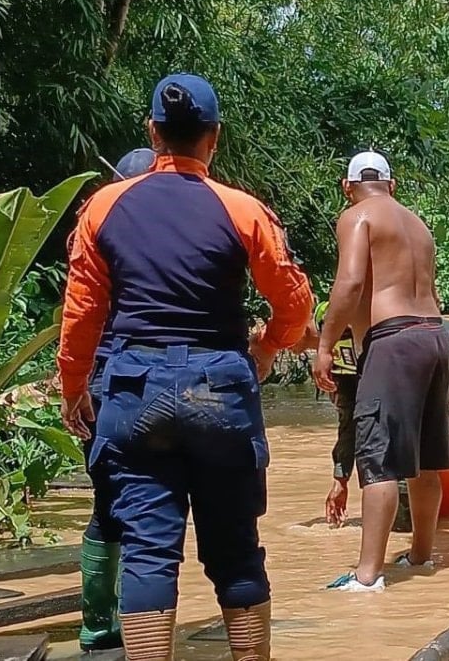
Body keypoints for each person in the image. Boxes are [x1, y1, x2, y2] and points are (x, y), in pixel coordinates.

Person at [59, 74, 313, 660]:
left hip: (134, 389)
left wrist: (74, 388)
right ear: (214, 137)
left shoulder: (103, 207)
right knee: (237, 552)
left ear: (153, 132)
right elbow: (295, 303)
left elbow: (82, 314)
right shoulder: (243, 210)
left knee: (148, 553)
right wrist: (268, 347)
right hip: (218, 388)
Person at [313, 151, 449, 592]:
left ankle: (367, 576)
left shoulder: (356, 216)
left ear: (347, 187)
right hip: (437, 335)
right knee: (426, 459)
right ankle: (421, 555)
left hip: (394, 340)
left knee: (378, 459)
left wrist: (325, 345)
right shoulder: (418, 224)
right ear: (392, 185)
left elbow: (350, 283)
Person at [75, 147, 156, 654]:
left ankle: (99, 622)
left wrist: (72, 386)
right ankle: (140, 622)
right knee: (152, 506)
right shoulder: (168, 230)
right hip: (147, 379)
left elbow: (79, 314)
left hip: (103, 381)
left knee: (108, 500)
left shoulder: (96, 227)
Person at [306, 302, 361, 529]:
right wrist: (341, 478)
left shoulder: (329, 317)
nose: (286, 348)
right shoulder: (334, 361)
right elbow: (350, 424)